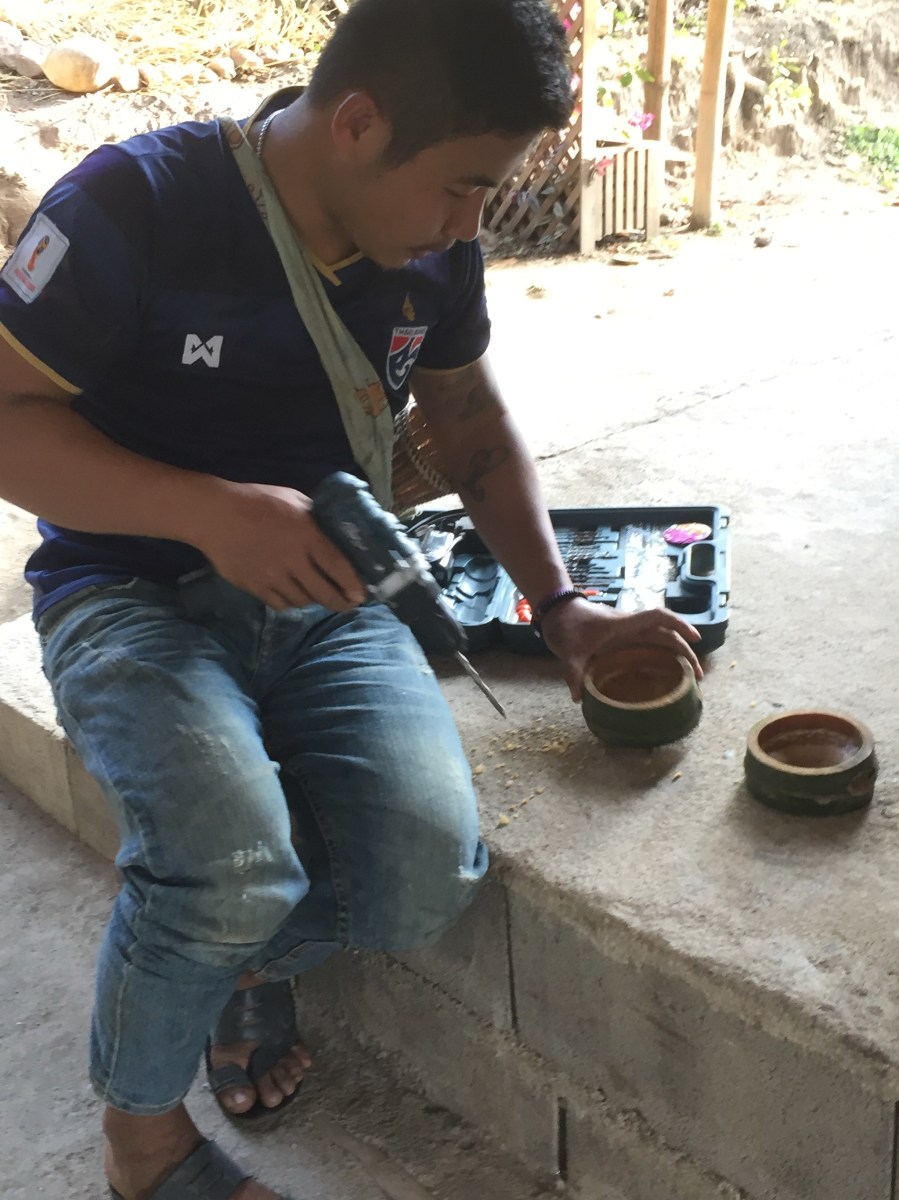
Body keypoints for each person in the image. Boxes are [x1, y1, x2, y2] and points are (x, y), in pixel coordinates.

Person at [0, 1, 702, 1197]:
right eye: (461, 189)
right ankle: (143, 1143)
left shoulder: (431, 245)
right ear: (359, 123)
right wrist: (210, 513)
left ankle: (220, 953)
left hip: (331, 595)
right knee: (226, 859)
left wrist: (560, 606)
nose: (469, 225)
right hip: (129, 593)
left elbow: (467, 422)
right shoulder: (132, 206)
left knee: (425, 877)